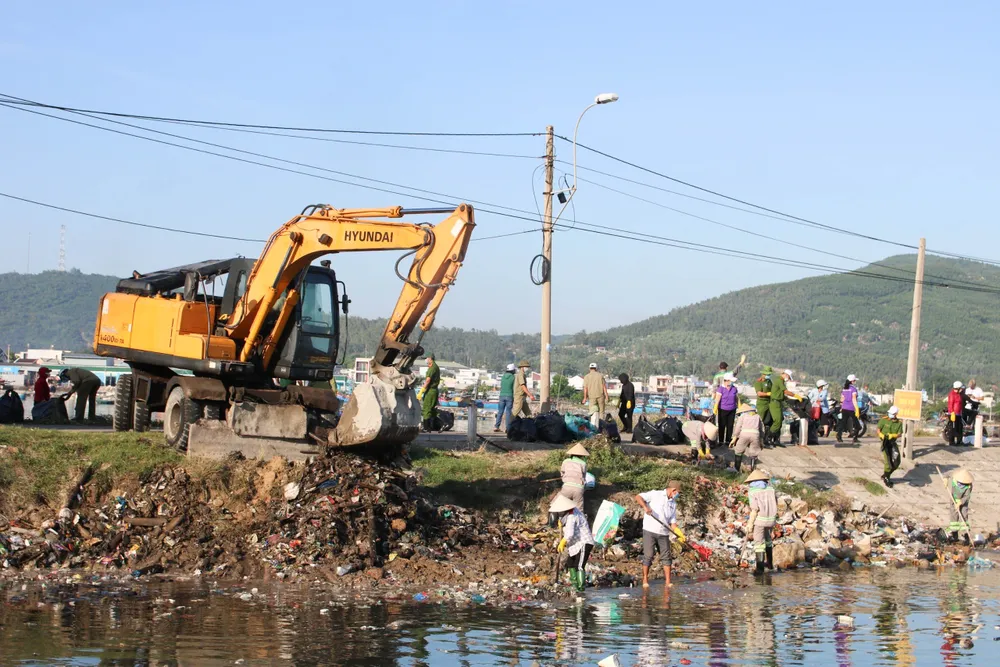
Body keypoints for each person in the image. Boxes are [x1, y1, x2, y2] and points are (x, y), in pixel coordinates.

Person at [635, 480, 682, 588]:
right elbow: (638, 497)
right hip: (650, 530)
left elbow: (672, 522)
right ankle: (645, 580)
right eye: (678, 492)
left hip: (664, 533)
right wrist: (645, 507)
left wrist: (679, 533)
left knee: (666, 557)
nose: (678, 495)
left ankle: (668, 582)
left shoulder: (673, 504)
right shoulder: (655, 494)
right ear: (673, 490)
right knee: (649, 555)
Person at [551, 493, 595, 592]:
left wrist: (563, 542)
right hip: (575, 544)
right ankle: (574, 585)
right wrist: (561, 524)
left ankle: (580, 588)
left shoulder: (572, 516)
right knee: (570, 563)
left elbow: (569, 534)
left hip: (584, 542)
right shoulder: (568, 514)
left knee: (579, 566)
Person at [744, 469, 777, 574]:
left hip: (760, 520)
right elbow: (776, 503)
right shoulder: (771, 489)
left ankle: (760, 569)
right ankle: (770, 564)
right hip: (771, 520)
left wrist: (750, 524)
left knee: (759, 543)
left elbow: (754, 510)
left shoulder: (753, 491)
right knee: (768, 540)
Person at [767, 369, 797, 447]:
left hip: (779, 402)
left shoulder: (781, 381)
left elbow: (782, 394)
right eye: (788, 377)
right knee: (777, 421)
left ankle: (776, 440)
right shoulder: (779, 380)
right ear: (786, 375)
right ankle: (768, 438)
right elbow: (785, 391)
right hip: (774, 403)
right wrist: (795, 395)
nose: (788, 379)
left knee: (781, 420)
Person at [730, 403, 764, 473]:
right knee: (753, 453)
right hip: (755, 435)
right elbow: (762, 429)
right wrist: (761, 440)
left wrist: (734, 438)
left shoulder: (743, 416)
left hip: (744, 434)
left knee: (738, 451)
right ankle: (751, 470)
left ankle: (736, 469)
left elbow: (738, 427)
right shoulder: (758, 416)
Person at [877, 405, 903, 488]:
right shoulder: (884, 420)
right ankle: (887, 478)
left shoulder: (899, 423)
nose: (890, 415)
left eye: (892, 414)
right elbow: (878, 429)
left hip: (892, 442)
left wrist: (894, 435)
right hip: (885, 442)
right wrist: (880, 434)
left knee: (897, 461)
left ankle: (886, 474)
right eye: (890, 413)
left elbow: (900, 433)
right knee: (888, 461)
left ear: (896, 414)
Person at [559, 443, 590, 510]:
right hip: (578, 489)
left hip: (566, 488)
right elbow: (584, 476)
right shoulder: (583, 463)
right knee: (578, 509)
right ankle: (579, 520)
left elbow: (562, 473)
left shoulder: (565, 461)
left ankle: (561, 519)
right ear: (582, 455)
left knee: (562, 507)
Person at [947, 469, 974, 545]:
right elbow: (947, 474)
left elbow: (967, 497)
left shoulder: (968, 486)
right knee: (954, 517)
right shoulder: (955, 478)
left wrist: (960, 502)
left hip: (963, 502)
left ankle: (966, 536)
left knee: (964, 516)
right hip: (953, 500)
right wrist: (945, 479)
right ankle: (954, 534)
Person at [714, 372, 739, 445]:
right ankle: (721, 441)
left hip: (732, 409)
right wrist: (715, 408)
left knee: (730, 426)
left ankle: (728, 441)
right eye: (730, 381)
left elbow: (737, 398)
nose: (731, 382)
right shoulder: (720, 389)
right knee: (722, 425)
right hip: (722, 409)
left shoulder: (734, 389)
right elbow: (717, 400)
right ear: (726, 380)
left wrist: (739, 406)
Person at [419, 354, 441, 432]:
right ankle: (432, 427)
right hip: (434, 390)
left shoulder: (432, 368)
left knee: (426, 409)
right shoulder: (436, 367)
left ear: (430, 359)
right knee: (432, 409)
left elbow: (428, 380)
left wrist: (422, 390)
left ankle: (426, 428)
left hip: (430, 391)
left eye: (426, 358)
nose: (426, 360)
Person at [582, 363, 608, 428]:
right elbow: (604, 387)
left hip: (591, 397)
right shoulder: (600, 376)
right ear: (596, 368)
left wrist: (585, 398)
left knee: (592, 412)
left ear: (589, 368)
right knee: (601, 412)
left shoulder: (586, 376)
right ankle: (601, 426)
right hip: (600, 396)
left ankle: (593, 427)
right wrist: (607, 396)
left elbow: (585, 388)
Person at [837, 375, 861, 444]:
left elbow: (842, 399)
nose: (855, 382)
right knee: (857, 425)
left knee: (843, 423)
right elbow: (854, 399)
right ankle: (855, 438)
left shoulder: (844, 388)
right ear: (852, 381)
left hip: (844, 408)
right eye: (855, 380)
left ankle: (839, 436)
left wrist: (841, 407)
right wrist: (856, 408)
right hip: (851, 408)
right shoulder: (853, 389)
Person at [494, 363, 516, 432]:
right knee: (508, 412)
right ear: (512, 370)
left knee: (500, 411)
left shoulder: (503, 376)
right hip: (509, 396)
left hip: (502, 396)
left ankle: (496, 426)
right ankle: (508, 428)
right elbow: (514, 387)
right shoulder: (513, 377)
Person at [753, 367, 772, 437]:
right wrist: (767, 394)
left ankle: (766, 438)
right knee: (760, 421)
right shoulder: (758, 382)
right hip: (762, 404)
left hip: (769, 403)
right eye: (767, 374)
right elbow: (759, 393)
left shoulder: (769, 382)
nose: (769, 376)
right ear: (763, 374)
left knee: (768, 421)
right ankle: (757, 437)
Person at [947, 381, 964, 446]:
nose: (961, 389)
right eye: (960, 388)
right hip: (953, 414)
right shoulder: (952, 394)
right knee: (953, 428)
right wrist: (952, 412)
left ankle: (959, 441)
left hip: (958, 413)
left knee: (959, 427)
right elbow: (950, 404)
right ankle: (951, 442)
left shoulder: (959, 394)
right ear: (957, 388)